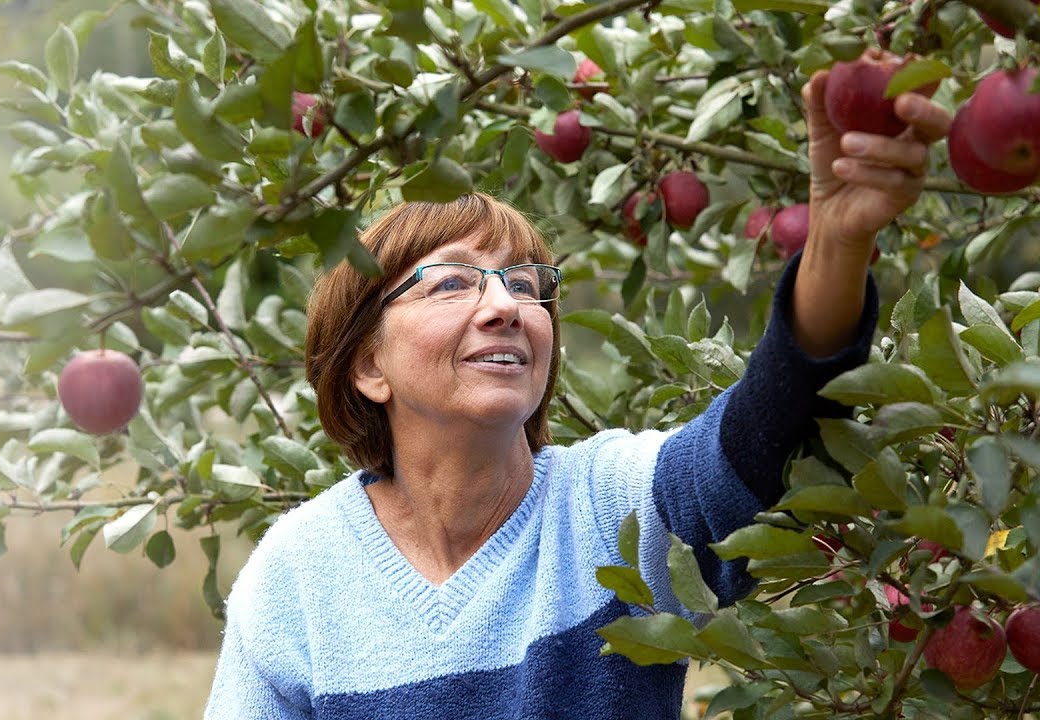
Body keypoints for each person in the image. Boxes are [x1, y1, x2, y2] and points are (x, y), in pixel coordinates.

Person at [203, 71, 951, 719]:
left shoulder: (605, 510)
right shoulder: (300, 574)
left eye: (526, 286)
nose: (505, 307)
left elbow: (765, 439)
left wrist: (838, 243)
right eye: (455, 282)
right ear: (368, 365)